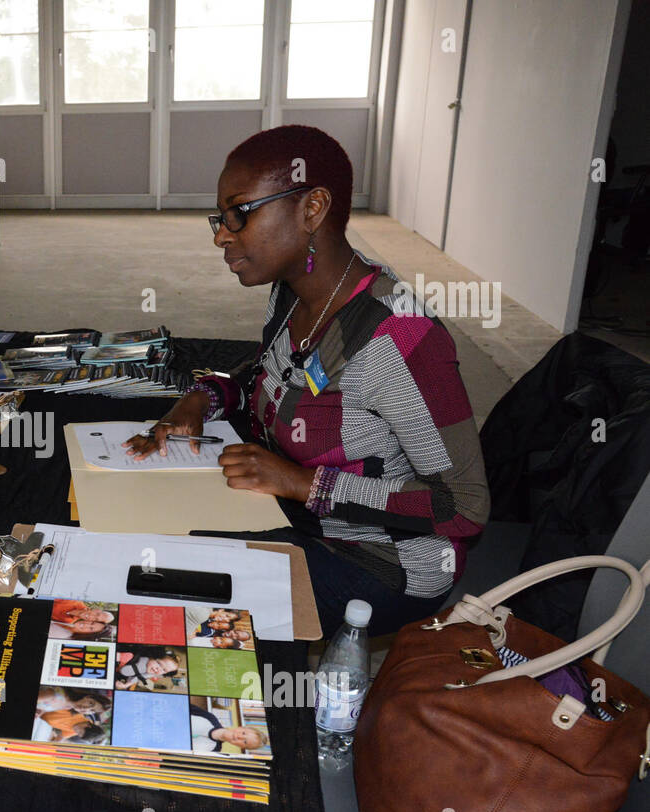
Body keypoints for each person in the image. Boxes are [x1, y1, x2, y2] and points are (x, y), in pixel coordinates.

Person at [125, 125, 489, 639]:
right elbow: (271, 379)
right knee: (146, 529)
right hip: (296, 516)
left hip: (379, 562)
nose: (221, 235)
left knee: (171, 589)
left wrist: (302, 483)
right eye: (220, 217)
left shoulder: (402, 339)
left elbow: (465, 507)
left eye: (240, 214)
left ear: (312, 208)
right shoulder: (292, 294)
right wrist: (202, 398)